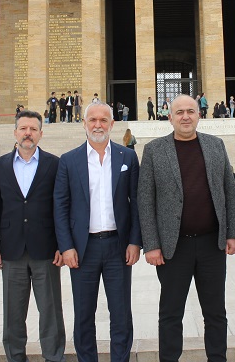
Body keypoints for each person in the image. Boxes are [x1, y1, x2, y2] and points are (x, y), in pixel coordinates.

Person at [138, 94, 235, 362]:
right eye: (179, 112)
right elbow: (145, 200)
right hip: (173, 247)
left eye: (191, 111)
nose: (185, 117)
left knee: (215, 312)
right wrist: (151, 245)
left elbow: (229, 191)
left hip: (211, 244)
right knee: (171, 313)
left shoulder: (215, 145)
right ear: (169, 117)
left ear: (199, 115)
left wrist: (233, 233)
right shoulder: (154, 150)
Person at [54, 102, 141, 362]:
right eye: (92, 120)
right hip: (83, 249)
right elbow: (60, 206)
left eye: (104, 120)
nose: (98, 125)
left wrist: (135, 241)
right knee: (83, 314)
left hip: (118, 246)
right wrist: (66, 246)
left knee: (121, 314)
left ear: (112, 124)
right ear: (84, 123)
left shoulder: (127, 157)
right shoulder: (69, 160)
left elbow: (137, 203)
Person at [0, 110, 66, 362]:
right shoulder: (0, 165)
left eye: (33, 129)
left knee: (50, 310)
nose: (28, 133)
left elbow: (60, 207)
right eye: (23, 129)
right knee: (13, 312)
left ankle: (53, 356)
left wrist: (62, 245)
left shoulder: (54, 164)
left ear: (41, 134)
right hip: (12, 249)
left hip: (46, 250)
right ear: (15, 133)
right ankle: (15, 357)